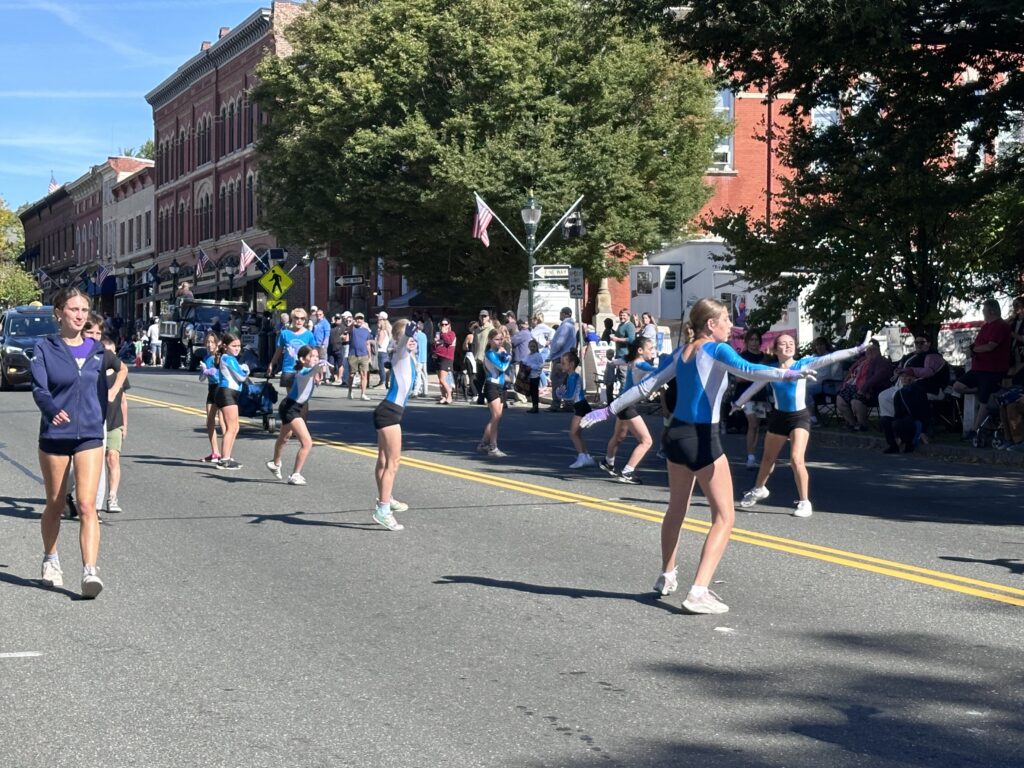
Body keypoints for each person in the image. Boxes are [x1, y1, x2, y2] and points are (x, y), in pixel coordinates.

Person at [580, 298, 814, 614]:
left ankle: (666, 574)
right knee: (725, 516)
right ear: (710, 325)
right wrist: (789, 375)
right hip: (702, 438)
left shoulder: (682, 352)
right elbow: (749, 369)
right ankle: (699, 592)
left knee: (676, 509)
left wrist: (608, 410)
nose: (732, 326)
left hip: (675, 435)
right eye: (726, 319)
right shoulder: (716, 349)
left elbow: (647, 385)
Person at [31, 287, 126, 598]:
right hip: (55, 435)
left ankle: (90, 571)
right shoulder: (45, 348)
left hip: (89, 434)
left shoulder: (97, 350)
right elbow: (40, 389)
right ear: (59, 312)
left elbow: (120, 368)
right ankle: (51, 558)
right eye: (74, 310)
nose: (80, 315)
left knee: (87, 504)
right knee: (56, 505)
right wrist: (51, 410)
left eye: (84, 310)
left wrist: (111, 396)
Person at [734, 332, 871, 517]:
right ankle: (759, 488)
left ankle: (805, 502)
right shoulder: (771, 370)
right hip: (778, 418)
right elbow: (753, 388)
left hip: (799, 417)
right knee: (768, 459)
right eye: (783, 343)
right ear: (775, 349)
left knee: (796, 459)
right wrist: (737, 403)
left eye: (791, 343)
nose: (789, 346)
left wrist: (857, 349)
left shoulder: (803, 364)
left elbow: (830, 357)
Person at [372, 318, 420, 531]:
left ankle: (386, 497)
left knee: (383, 460)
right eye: (408, 337)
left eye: (414, 338)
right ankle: (383, 510)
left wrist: (410, 338)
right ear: (398, 338)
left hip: (389, 411)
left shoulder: (408, 357)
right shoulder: (400, 354)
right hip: (390, 412)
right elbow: (401, 346)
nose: (412, 341)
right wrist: (406, 337)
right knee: (394, 462)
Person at [267, 345, 327, 485]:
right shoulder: (303, 372)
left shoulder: (310, 371)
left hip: (293, 406)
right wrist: (317, 368)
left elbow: (315, 374)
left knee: (284, 437)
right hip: (290, 408)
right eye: (312, 356)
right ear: (303, 359)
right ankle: (295, 474)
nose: (316, 359)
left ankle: (275, 463)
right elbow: (310, 372)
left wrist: (319, 372)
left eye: (317, 357)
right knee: (307, 443)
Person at [600, 337, 657, 484]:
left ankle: (608, 462)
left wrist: (612, 362)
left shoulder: (631, 360)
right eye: (650, 349)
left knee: (619, 436)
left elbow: (617, 361)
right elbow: (657, 371)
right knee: (646, 441)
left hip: (622, 403)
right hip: (627, 406)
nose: (653, 352)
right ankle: (627, 472)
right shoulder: (641, 364)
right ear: (640, 350)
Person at [953, 299, 1013, 437]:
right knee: (957, 386)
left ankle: (974, 430)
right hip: (978, 368)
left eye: (984, 310)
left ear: (991, 311)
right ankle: (984, 389)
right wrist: (971, 349)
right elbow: (978, 344)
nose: (982, 313)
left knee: (983, 401)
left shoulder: (1001, 326)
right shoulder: (985, 327)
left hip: (993, 369)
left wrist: (973, 350)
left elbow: (991, 346)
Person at [100, 335, 130, 514]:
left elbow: (123, 401)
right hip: (96, 422)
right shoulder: (95, 373)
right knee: (95, 463)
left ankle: (112, 497)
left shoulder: (120, 375)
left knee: (113, 458)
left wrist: (125, 424)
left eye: (113, 354)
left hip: (115, 422)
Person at [733, 329, 771, 469]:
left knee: (756, 427)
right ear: (747, 341)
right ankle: (750, 457)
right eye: (752, 340)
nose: (754, 343)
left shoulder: (765, 357)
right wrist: (756, 375)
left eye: (756, 340)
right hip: (745, 395)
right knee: (753, 423)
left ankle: (752, 455)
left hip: (760, 395)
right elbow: (738, 378)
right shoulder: (742, 357)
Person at [836, 341, 893, 430]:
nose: (869, 352)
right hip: (852, 386)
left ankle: (862, 424)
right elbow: (851, 372)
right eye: (867, 350)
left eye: (873, 350)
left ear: (878, 350)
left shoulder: (881, 362)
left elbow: (877, 377)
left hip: (870, 389)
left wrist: (864, 389)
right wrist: (844, 384)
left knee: (856, 400)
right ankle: (852, 423)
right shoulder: (862, 360)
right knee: (840, 399)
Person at [215, 333, 249, 470]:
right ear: (225, 346)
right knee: (232, 428)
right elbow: (241, 377)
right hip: (226, 393)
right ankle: (224, 460)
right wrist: (246, 369)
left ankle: (227, 456)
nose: (237, 348)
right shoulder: (228, 358)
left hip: (232, 393)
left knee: (235, 427)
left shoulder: (231, 359)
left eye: (239, 346)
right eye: (233, 346)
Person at [477, 328, 512, 457]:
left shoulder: (500, 352)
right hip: (492, 385)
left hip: (501, 386)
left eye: (501, 339)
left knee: (497, 418)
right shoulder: (490, 353)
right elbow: (502, 367)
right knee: (496, 417)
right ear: (490, 340)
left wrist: (505, 355)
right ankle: (493, 447)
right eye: (497, 339)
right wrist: (507, 357)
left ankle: (483, 443)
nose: (499, 342)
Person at [559, 349, 595, 468]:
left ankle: (582, 456)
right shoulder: (571, 376)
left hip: (581, 406)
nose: (561, 365)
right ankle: (586, 456)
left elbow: (571, 395)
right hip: (580, 405)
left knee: (573, 433)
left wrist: (560, 394)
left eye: (564, 363)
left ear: (571, 365)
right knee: (577, 433)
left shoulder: (573, 377)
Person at [268, 308, 315, 392]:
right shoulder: (285, 334)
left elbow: (314, 353)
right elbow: (278, 351)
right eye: (296, 318)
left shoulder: (309, 335)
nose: (299, 321)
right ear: (292, 319)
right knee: (291, 398)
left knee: (301, 400)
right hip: (288, 369)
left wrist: (316, 369)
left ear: (305, 320)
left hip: (303, 370)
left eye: (302, 318)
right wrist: (271, 364)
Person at [198, 332, 223, 463]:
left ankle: (226, 454)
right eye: (207, 342)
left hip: (222, 388)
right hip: (211, 389)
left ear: (217, 343)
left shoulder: (221, 356)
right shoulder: (207, 357)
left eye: (212, 342)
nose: (209, 344)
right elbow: (202, 378)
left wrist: (210, 370)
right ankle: (215, 452)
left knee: (223, 422)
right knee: (210, 421)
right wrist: (203, 371)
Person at [546, 307, 577, 412]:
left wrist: (552, 353)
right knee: (566, 381)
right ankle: (569, 403)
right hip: (568, 357)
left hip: (561, 358)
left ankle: (556, 404)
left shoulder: (565, 326)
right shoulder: (572, 326)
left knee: (557, 381)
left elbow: (559, 342)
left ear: (564, 314)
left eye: (560, 313)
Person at [347, 312, 373, 400]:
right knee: (351, 374)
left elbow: (368, 344)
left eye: (361, 319)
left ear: (363, 320)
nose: (359, 320)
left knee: (364, 374)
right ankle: (350, 391)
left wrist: (370, 357)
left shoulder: (366, 331)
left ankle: (363, 394)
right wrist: (352, 323)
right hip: (353, 354)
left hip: (364, 354)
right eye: (357, 318)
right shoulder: (352, 329)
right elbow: (349, 329)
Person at [434, 317, 456, 404]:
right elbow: (436, 345)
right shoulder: (438, 334)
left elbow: (449, 341)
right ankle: (443, 396)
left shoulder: (451, 333)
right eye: (442, 324)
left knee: (443, 380)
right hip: (439, 357)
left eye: (445, 324)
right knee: (440, 380)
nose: (443, 326)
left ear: (449, 325)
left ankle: (449, 396)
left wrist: (443, 333)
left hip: (447, 358)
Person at [472, 310, 492, 404]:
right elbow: (474, 344)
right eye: (482, 316)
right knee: (478, 379)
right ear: (479, 317)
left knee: (488, 380)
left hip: (487, 359)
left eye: (485, 316)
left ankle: (489, 398)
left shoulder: (491, 329)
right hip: (478, 358)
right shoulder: (477, 330)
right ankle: (480, 396)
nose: (483, 318)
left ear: (488, 317)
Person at [522, 339, 546, 413]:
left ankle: (535, 407)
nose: (532, 348)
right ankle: (534, 406)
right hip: (529, 376)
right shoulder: (529, 355)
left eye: (534, 346)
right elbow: (524, 361)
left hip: (535, 376)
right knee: (532, 392)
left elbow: (540, 366)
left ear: (536, 347)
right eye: (531, 346)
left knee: (535, 392)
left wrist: (531, 366)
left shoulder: (538, 355)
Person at [328, 313, 348, 386]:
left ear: (341, 319)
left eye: (338, 318)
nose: (337, 320)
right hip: (331, 348)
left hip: (339, 347)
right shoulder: (331, 326)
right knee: (330, 365)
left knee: (340, 364)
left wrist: (343, 337)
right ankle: (334, 377)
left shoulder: (343, 327)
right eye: (336, 318)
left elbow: (346, 337)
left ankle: (339, 378)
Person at [374, 311, 392, 388]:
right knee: (385, 368)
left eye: (378, 319)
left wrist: (373, 341)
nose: (377, 321)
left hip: (381, 352)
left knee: (381, 368)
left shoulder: (382, 331)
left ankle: (383, 383)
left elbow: (379, 343)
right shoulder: (387, 331)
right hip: (385, 351)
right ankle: (385, 382)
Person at [412, 321, 429, 398]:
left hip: (418, 357)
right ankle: (425, 391)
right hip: (424, 357)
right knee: (424, 375)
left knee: (417, 375)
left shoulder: (415, 335)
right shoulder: (424, 335)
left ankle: (415, 392)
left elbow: (414, 347)